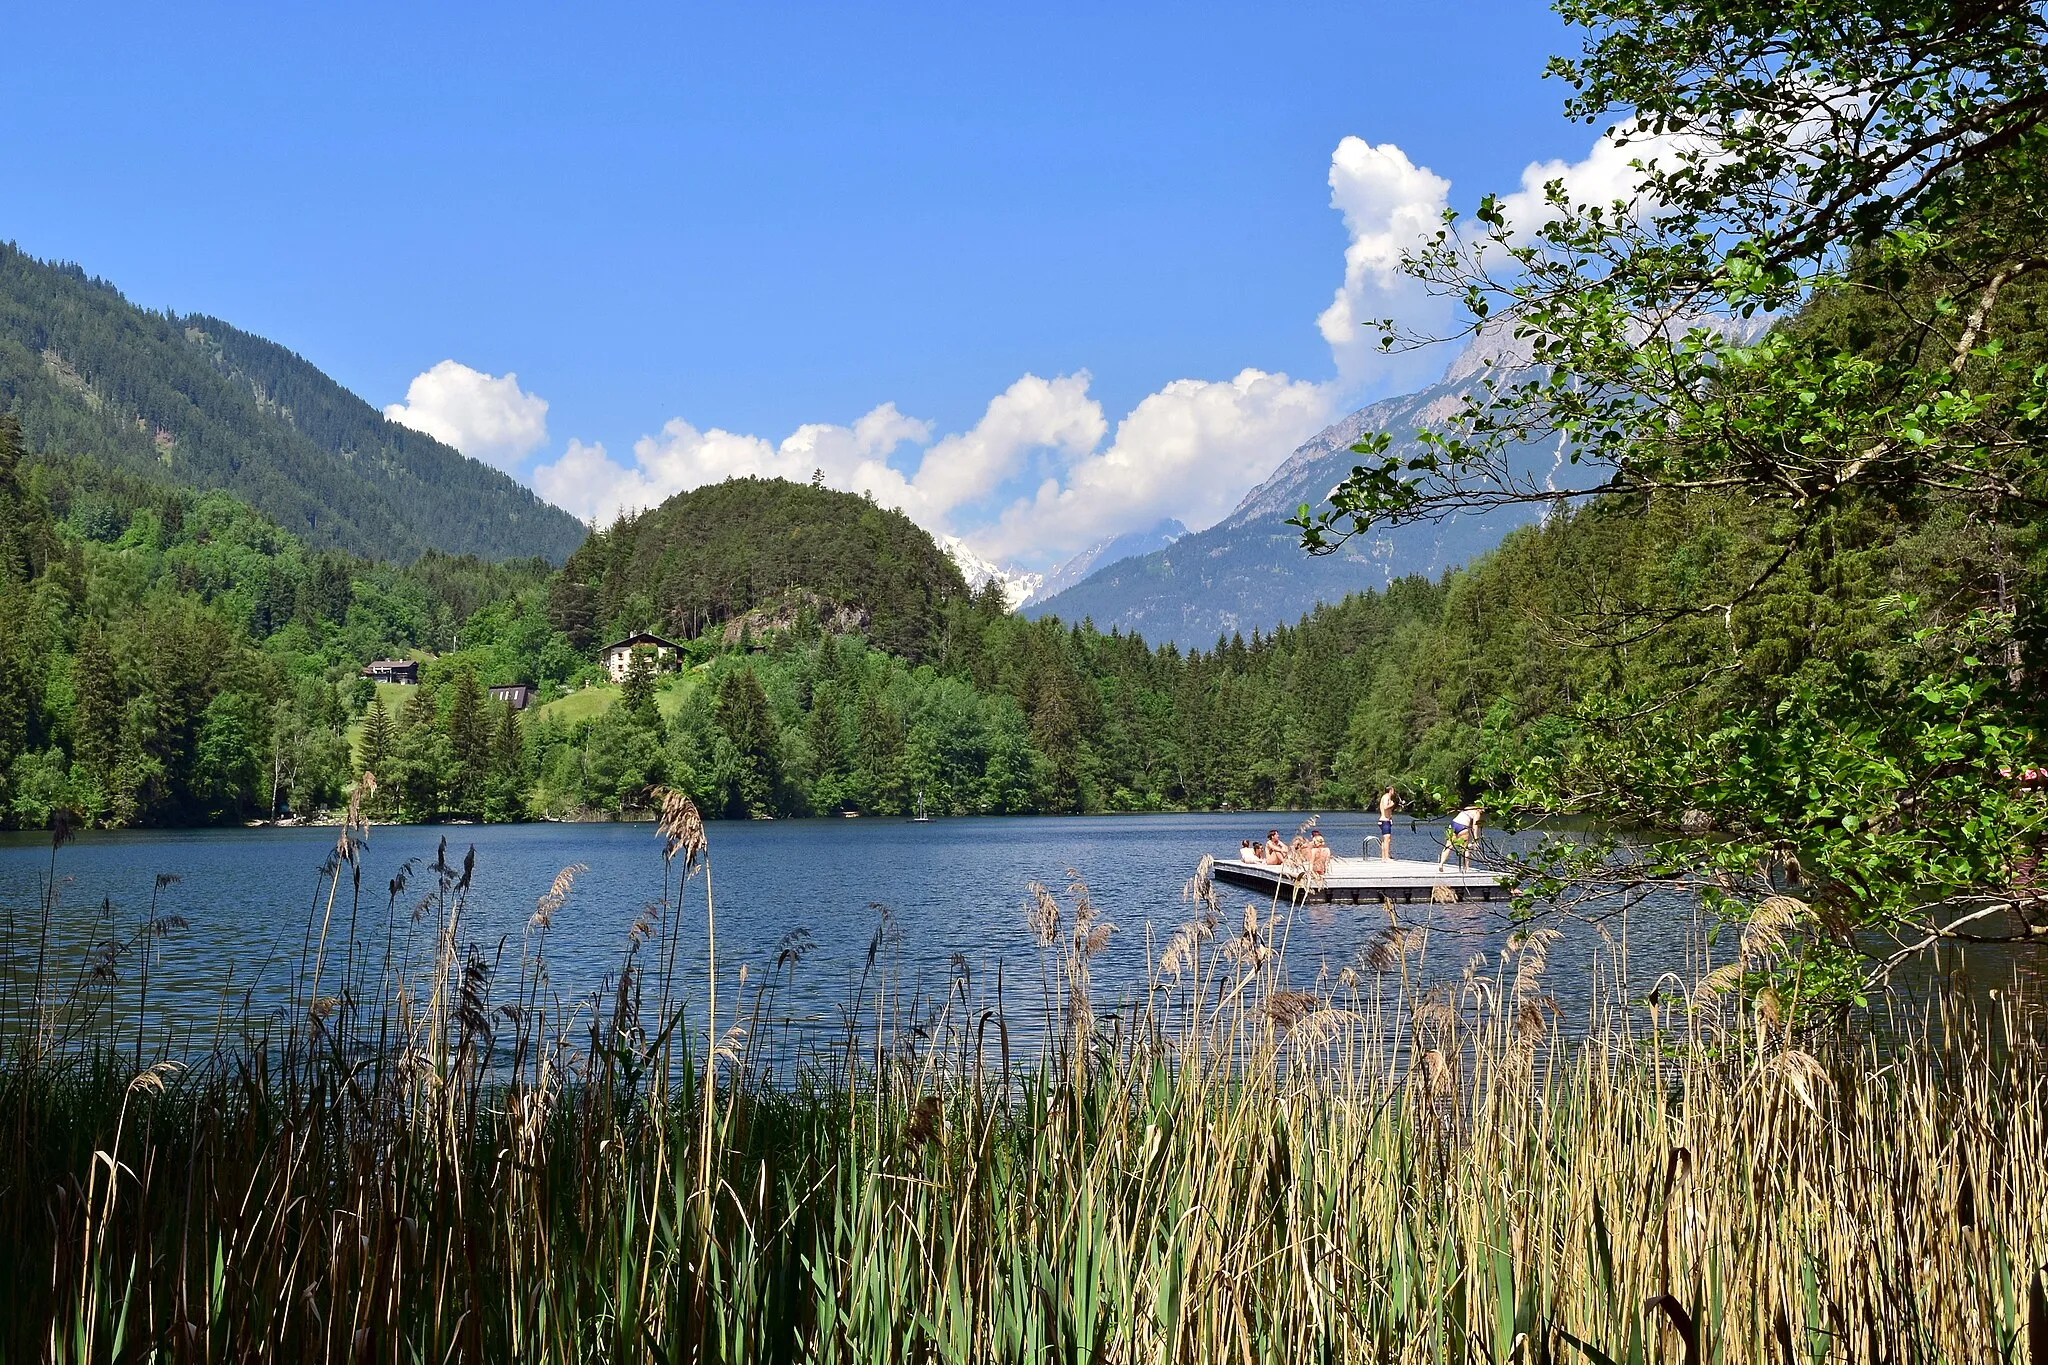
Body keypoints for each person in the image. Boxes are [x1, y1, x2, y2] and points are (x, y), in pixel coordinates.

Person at [1436, 804, 1483, 871]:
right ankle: (1467, 868)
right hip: (1462, 827)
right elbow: (1475, 826)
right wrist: (1475, 839)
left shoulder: (1468, 808)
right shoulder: (1477, 812)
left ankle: (1441, 863)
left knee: (1448, 846)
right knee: (1465, 848)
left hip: (1453, 824)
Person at [1378, 786, 1398, 861]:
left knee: (1384, 839)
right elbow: (1386, 807)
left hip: (1386, 820)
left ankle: (1384, 857)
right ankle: (1386, 857)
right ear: (1390, 790)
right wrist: (1392, 804)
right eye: (1393, 790)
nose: (1394, 792)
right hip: (1384, 820)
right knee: (1387, 839)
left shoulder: (1385, 797)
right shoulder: (1386, 797)